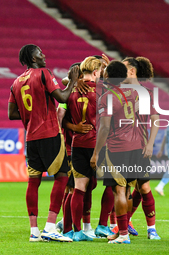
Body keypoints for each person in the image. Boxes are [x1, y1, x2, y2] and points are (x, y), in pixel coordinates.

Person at [8, 44, 79, 242]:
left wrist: (30, 114)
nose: (44, 55)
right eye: (40, 53)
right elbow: (62, 97)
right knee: (62, 176)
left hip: (30, 138)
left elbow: (11, 113)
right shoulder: (43, 73)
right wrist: (72, 81)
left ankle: (34, 232)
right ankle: (50, 227)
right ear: (33, 59)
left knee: (34, 181)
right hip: (49, 133)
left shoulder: (16, 82)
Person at [90, 60, 133, 244]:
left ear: (108, 76)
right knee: (127, 189)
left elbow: (104, 128)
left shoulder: (107, 97)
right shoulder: (134, 94)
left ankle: (123, 234)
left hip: (117, 147)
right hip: (135, 146)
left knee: (119, 191)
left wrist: (96, 152)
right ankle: (121, 231)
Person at [120, 56, 161, 240]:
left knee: (144, 187)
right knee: (125, 189)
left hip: (140, 147)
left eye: (123, 68)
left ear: (131, 71)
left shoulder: (144, 93)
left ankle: (151, 229)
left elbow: (155, 120)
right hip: (122, 147)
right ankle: (124, 223)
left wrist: (151, 143)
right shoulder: (118, 91)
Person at [65, 56, 101, 241]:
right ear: (96, 72)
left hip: (77, 143)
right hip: (96, 144)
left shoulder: (71, 90)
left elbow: (62, 117)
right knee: (112, 186)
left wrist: (75, 81)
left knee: (79, 188)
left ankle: (77, 231)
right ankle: (103, 225)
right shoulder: (102, 91)